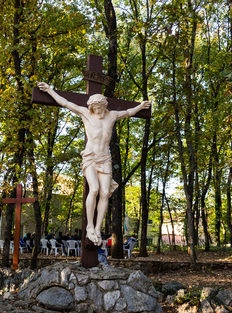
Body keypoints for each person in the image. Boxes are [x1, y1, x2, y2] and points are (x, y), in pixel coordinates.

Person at [37, 82, 151, 246]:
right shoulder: (86, 114)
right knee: (95, 189)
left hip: (105, 158)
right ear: (91, 108)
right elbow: (66, 103)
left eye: (100, 108)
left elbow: (127, 112)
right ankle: (89, 225)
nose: (98, 111)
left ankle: (97, 228)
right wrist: (49, 90)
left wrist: (140, 106)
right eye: (95, 108)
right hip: (90, 157)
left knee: (105, 193)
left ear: (104, 106)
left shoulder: (111, 115)